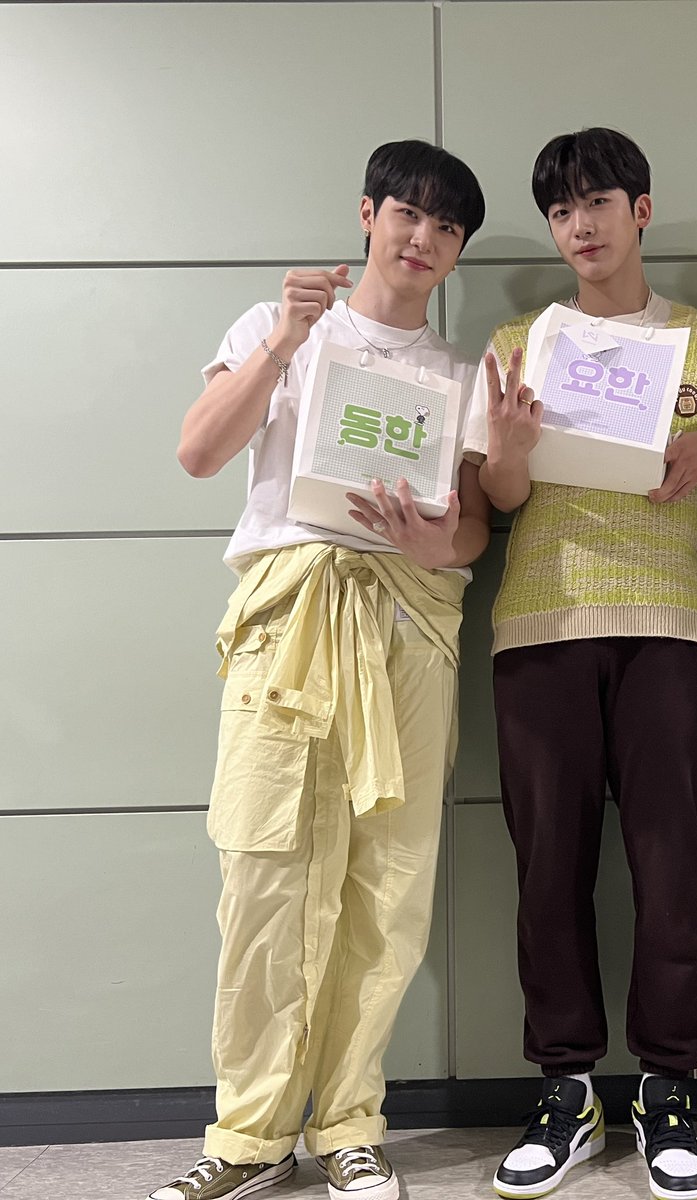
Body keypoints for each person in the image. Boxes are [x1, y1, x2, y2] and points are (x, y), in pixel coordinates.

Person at [149, 140, 490, 1200]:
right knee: (263, 875)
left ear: (458, 250)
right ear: (368, 214)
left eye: (447, 226)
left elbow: (476, 525)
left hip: (412, 623)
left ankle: (350, 1125)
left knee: (389, 884)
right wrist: (284, 342)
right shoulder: (279, 326)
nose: (423, 237)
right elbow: (199, 451)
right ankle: (247, 1136)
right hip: (291, 615)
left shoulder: (459, 374)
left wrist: (438, 542)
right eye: (408, 213)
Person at [462, 127, 697, 1200]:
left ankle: (668, 1093)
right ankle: (566, 1090)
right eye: (560, 210)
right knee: (548, 870)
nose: (579, 225)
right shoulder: (518, 342)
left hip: (670, 625)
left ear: (640, 209)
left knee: (672, 870)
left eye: (597, 202)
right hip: (541, 625)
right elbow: (501, 498)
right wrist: (509, 451)